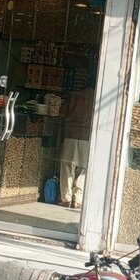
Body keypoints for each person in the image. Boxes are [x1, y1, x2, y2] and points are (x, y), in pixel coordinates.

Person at [58, 82, 94, 210]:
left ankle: (66, 198)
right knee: (83, 168)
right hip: (87, 136)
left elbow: (62, 113)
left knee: (67, 166)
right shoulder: (97, 97)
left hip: (71, 133)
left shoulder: (73, 96)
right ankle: (78, 200)